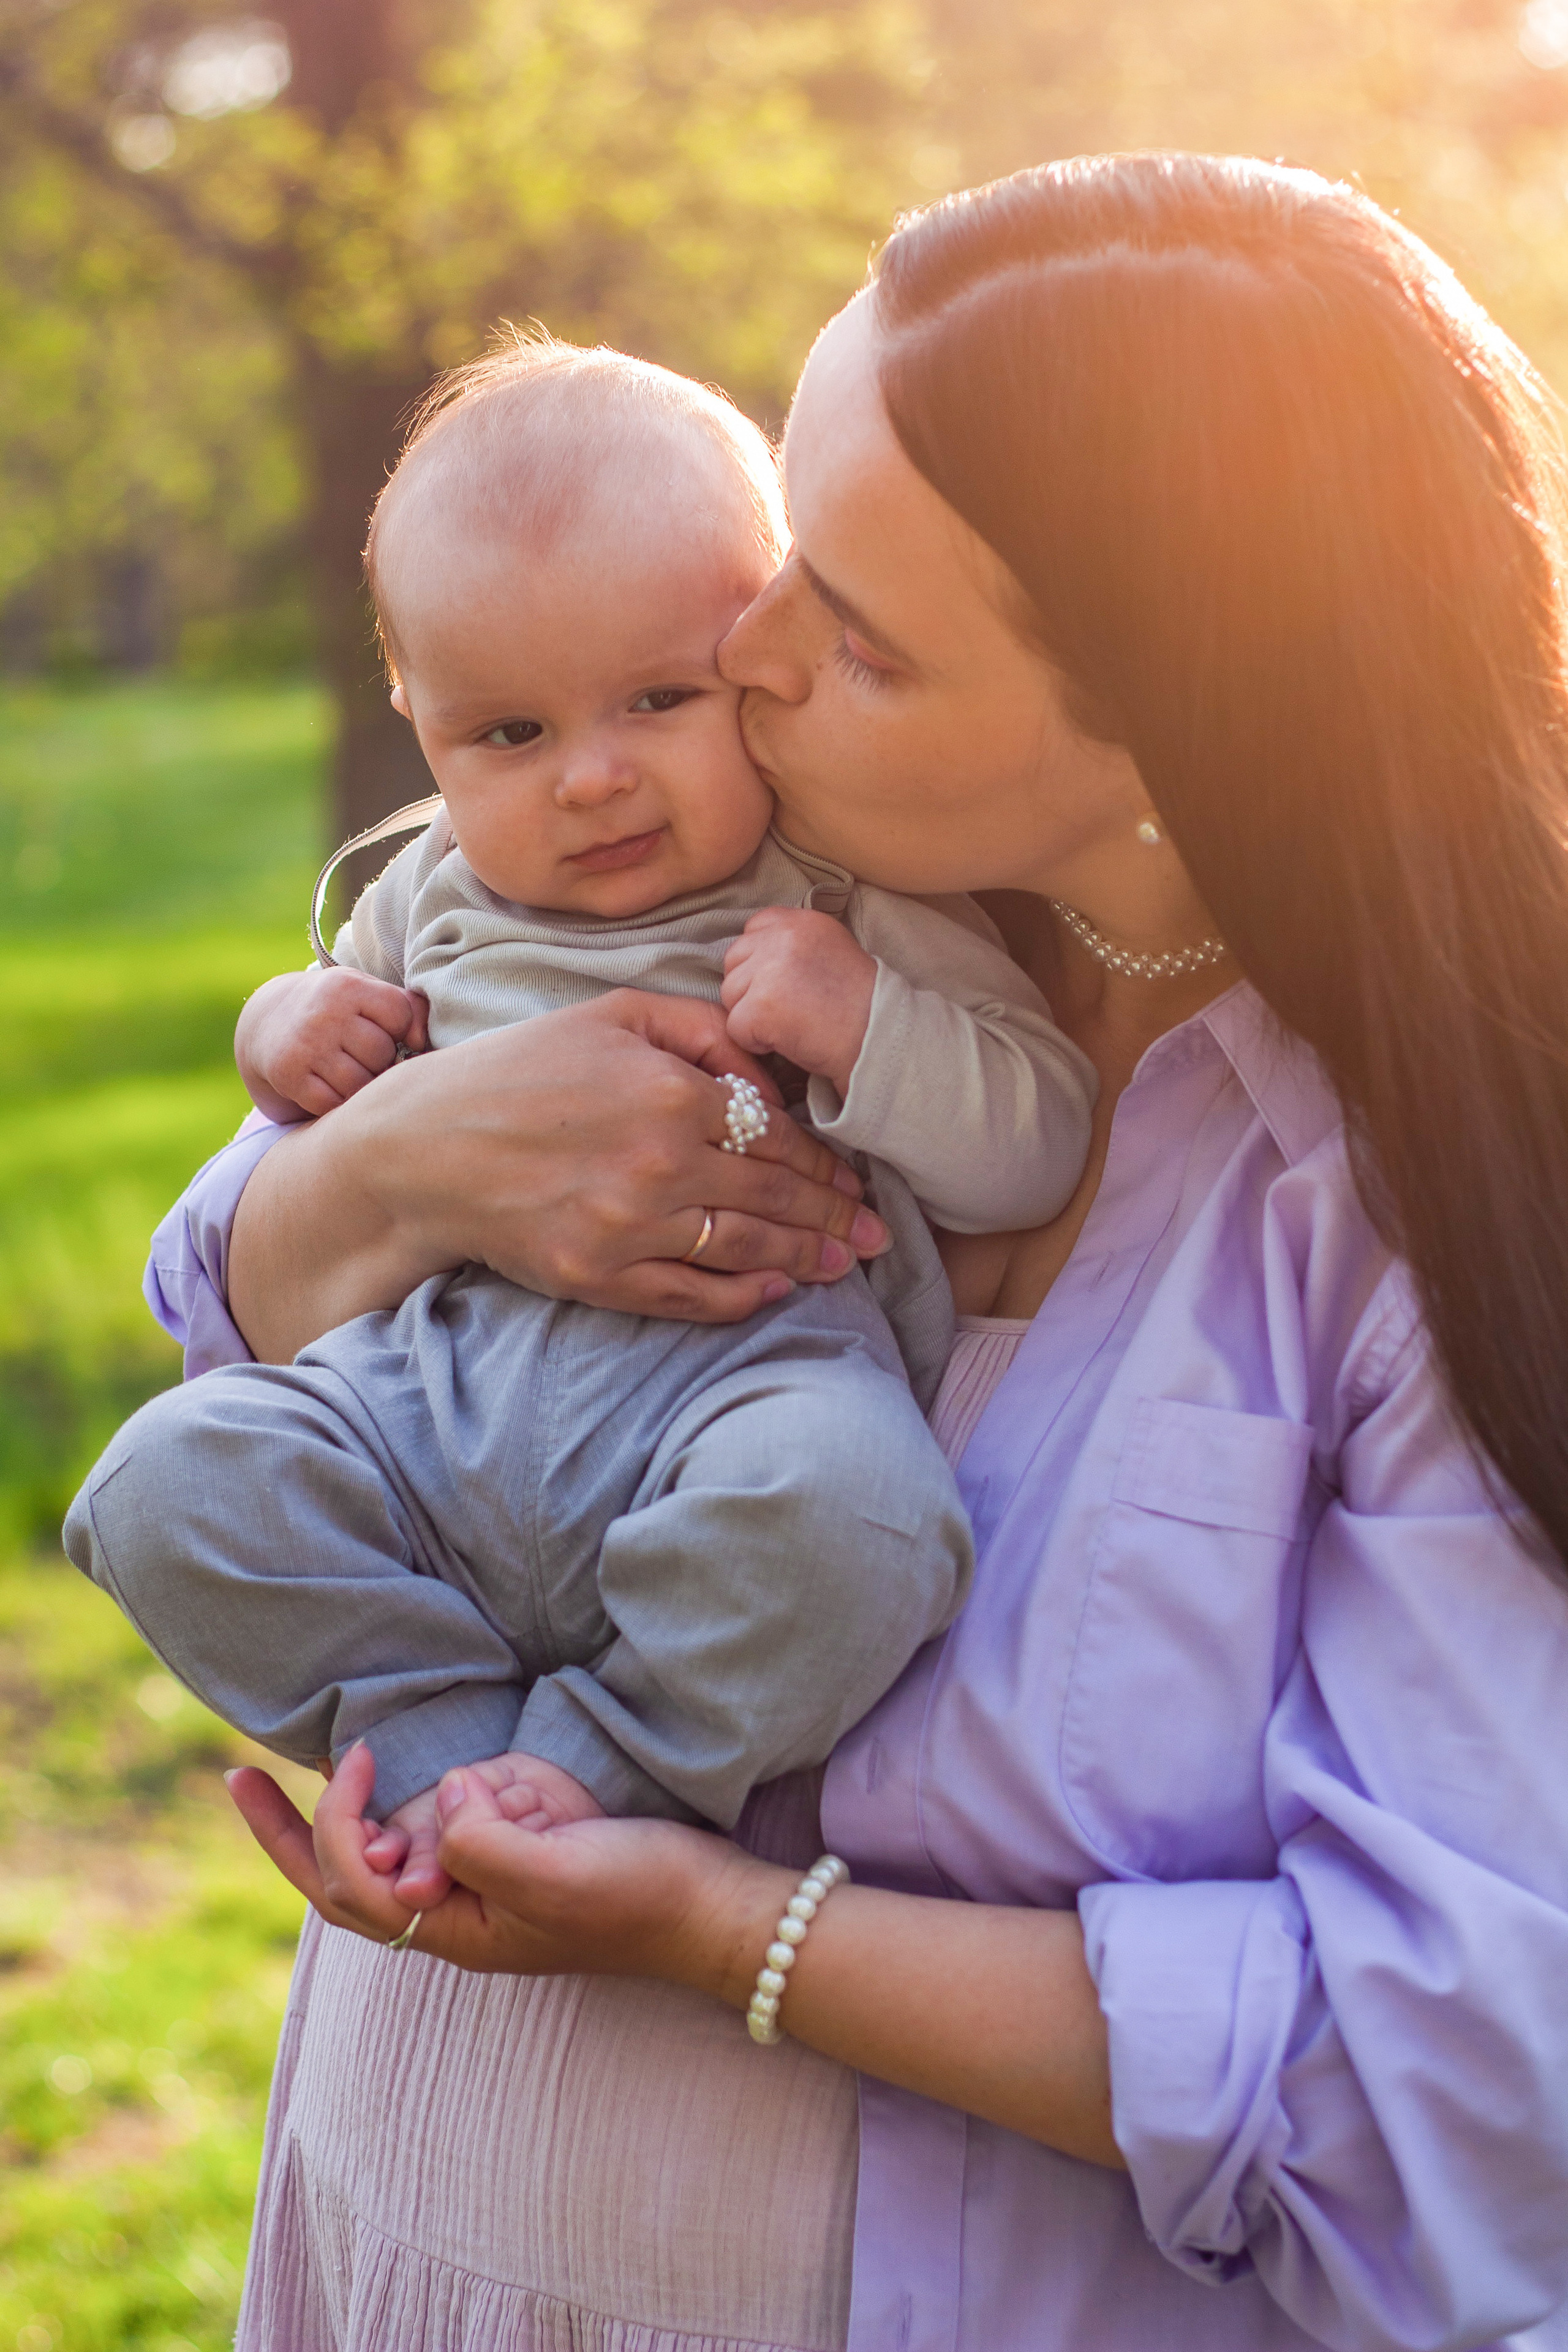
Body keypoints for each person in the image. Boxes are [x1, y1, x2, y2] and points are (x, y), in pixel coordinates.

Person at [134, 153, 1568, 2348]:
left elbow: (1451, 2096)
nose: (744, 646)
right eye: (789, 548)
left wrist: (722, 1926)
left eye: (858, 633)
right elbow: (227, 1301)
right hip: (389, 2259)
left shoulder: (1411, 1205)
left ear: (1169, 731)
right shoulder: (666, 859)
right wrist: (407, 1167)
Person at [67, 334, 1098, 1903]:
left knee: (860, 1523)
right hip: (423, 1397)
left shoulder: (838, 890)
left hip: (739, 1393)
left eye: (656, 698)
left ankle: (603, 1764)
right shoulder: (426, 888)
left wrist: (864, 1025)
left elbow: (1036, 1140)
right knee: (160, 1485)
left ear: (755, 641)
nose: (593, 781)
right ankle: (434, 1749)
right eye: (511, 734)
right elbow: (295, 1110)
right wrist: (281, 1025)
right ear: (414, 713)